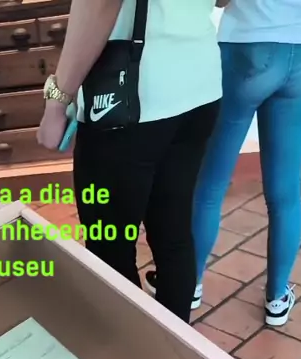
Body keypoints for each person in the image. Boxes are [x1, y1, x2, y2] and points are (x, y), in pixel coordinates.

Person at [38, 0, 223, 323]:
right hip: (199, 85)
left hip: (129, 98)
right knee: (174, 233)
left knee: (109, 246)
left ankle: (130, 346)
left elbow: (100, 4)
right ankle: (171, 343)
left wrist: (58, 98)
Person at [190, 0, 301, 326]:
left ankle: (189, 285)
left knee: (210, 184)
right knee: (286, 191)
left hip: (247, 43)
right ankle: (277, 297)